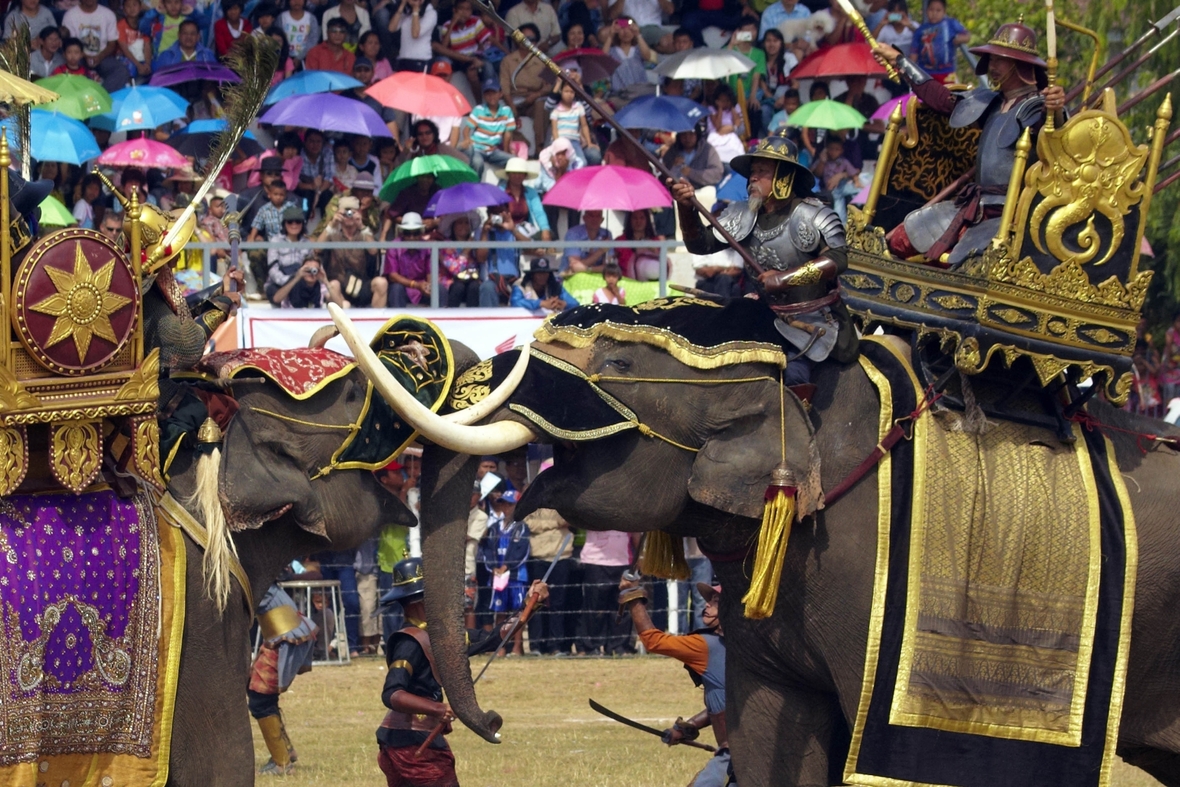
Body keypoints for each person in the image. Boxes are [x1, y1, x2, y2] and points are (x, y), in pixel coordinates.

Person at [873, 19, 1067, 265]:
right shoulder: (992, 103)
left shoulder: (1038, 108)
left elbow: (1055, 137)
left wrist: (1056, 109)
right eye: (992, 59)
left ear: (1019, 65)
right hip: (974, 206)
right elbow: (943, 100)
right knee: (902, 239)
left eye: (1000, 60)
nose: (992, 66)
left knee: (962, 263)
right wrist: (900, 61)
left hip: (1009, 214)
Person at [670, 130, 855, 386]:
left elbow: (838, 259)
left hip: (811, 318)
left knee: (793, 376)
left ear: (783, 178)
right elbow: (699, 244)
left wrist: (784, 279)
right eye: (753, 171)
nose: (753, 177)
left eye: (763, 171)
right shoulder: (742, 213)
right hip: (762, 312)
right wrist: (686, 207)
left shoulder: (814, 215)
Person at [375, 557, 549, 787]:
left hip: (413, 740)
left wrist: (530, 604)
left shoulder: (440, 636)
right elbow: (392, 694)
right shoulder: (410, 642)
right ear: (419, 602)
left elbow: (493, 638)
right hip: (410, 743)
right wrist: (439, 708)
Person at [619, 576, 731, 786]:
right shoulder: (743, 647)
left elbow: (653, 641)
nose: (707, 605)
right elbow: (729, 704)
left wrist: (632, 596)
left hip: (737, 756)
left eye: (715, 601)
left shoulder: (706, 646)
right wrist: (687, 727)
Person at [249, 583, 318, 776]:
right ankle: (285, 750)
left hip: (286, 634)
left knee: (260, 699)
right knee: (260, 695)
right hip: (279, 634)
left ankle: (282, 763)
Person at [477, 490, 532, 655]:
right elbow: (486, 550)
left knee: (518, 612)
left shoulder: (522, 527)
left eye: (510, 504)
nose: (506, 507)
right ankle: (500, 647)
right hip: (498, 577)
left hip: (516, 576)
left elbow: (522, 551)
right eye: (503, 503)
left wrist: (507, 566)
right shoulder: (493, 528)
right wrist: (493, 567)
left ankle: (517, 647)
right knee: (499, 613)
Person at [319, 195, 386, 308]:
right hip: (339, 284)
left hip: (361, 283)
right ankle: (341, 321)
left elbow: (373, 251)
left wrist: (362, 226)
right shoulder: (332, 233)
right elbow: (317, 248)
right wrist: (332, 224)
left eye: (352, 212)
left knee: (381, 282)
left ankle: (376, 324)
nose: (348, 216)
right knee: (333, 285)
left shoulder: (364, 233)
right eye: (345, 213)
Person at [579, 530, 637, 655]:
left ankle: (618, 646)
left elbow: (636, 530)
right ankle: (592, 646)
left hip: (624, 559)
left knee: (621, 607)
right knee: (595, 608)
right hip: (595, 560)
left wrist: (640, 556)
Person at [498, 23, 549, 148]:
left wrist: (537, 95)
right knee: (502, 111)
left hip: (533, 100)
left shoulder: (542, 60)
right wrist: (512, 106)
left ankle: (539, 147)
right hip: (513, 100)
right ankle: (521, 143)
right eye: (523, 37)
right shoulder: (508, 61)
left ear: (536, 42)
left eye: (531, 39)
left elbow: (549, 85)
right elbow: (505, 88)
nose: (526, 41)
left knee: (542, 105)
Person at [61, 0, 129, 92]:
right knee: (69, 70)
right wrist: (85, 56)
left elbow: (112, 44)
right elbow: (70, 44)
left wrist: (100, 57)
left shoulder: (108, 14)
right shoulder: (70, 15)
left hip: (102, 56)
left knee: (121, 71)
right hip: (78, 57)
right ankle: (85, 95)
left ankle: (101, 94)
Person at [461, 78, 517, 175]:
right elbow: (466, 130)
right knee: (477, 163)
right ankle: (474, 188)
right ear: (484, 96)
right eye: (488, 93)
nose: (491, 96)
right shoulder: (479, 109)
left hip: (493, 150)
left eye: (494, 93)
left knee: (514, 161)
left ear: (500, 94)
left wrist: (506, 152)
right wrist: (467, 139)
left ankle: (506, 187)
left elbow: (508, 135)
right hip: (477, 148)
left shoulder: (506, 111)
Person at [477, 202, 526, 306]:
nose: (498, 216)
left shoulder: (517, 230)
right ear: (488, 214)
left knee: (525, 288)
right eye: (494, 213)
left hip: (514, 279)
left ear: (508, 213)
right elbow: (481, 258)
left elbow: (534, 249)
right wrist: (485, 233)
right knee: (487, 287)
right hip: (492, 279)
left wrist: (513, 230)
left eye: (501, 212)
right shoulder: (483, 232)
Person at [909, 0, 967, 83]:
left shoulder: (951, 24)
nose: (934, 13)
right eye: (931, 10)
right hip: (925, 73)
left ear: (944, 12)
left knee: (951, 94)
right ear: (926, 11)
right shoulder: (920, 30)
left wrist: (959, 39)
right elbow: (913, 53)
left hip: (947, 72)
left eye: (938, 10)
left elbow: (967, 36)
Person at [266, 205, 315, 304]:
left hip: (302, 282)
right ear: (284, 224)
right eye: (290, 222)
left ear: (302, 224)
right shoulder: (275, 241)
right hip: (279, 283)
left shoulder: (307, 243)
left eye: (298, 222)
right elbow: (273, 269)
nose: (294, 225)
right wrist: (289, 281)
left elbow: (312, 266)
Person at [601, 16, 656, 102]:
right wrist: (610, 35)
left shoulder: (638, 49)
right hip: (620, 95)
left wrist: (638, 34)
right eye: (622, 28)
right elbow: (602, 59)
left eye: (629, 29)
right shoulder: (612, 51)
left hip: (640, 93)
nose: (626, 32)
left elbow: (647, 56)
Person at [384, 212, 434, 306]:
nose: (411, 237)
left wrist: (428, 286)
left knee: (439, 289)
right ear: (402, 233)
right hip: (402, 288)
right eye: (407, 233)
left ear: (421, 233)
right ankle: (398, 320)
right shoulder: (394, 246)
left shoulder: (427, 247)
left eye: (415, 233)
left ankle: (441, 319)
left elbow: (430, 272)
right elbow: (393, 276)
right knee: (396, 289)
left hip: (422, 288)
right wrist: (416, 285)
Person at [497, 157, 552, 241]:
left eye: (520, 173)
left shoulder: (531, 192)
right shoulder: (500, 191)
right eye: (514, 173)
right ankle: (532, 249)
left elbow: (539, 212)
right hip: (505, 231)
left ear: (525, 175)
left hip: (526, 231)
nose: (517, 176)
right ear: (508, 174)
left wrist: (545, 229)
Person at [549, 79, 600, 165]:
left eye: (572, 92)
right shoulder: (556, 110)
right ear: (561, 91)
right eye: (566, 91)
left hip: (574, 141)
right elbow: (554, 129)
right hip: (560, 141)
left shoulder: (578, 106)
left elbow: (584, 126)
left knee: (581, 163)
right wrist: (558, 144)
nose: (569, 94)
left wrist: (589, 142)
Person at [811, 135, 860, 222]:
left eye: (837, 149)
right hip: (833, 190)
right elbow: (815, 172)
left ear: (841, 151)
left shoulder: (844, 161)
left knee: (858, 189)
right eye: (831, 149)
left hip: (842, 185)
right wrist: (822, 161)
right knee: (838, 202)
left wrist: (856, 182)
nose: (833, 152)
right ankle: (841, 223)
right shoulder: (823, 160)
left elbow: (853, 172)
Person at [439, 211, 482, 307]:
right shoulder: (444, 246)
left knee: (474, 286)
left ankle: (473, 319)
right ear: (453, 226)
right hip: (451, 285)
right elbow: (455, 270)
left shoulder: (475, 244)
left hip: (470, 283)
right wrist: (466, 252)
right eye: (460, 223)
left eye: (466, 223)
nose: (464, 226)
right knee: (458, 286)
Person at [661, 124, 723, 190]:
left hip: (699, 191)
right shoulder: (673, 150)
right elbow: (663, 175)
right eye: (684, 134)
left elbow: (717, 174)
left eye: (691, 134)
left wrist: (691, 173)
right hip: (675, 191)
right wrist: (673, 166)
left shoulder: (707, 150)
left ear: (697, 134)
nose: (687, 138)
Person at [510, 256, 578, 314]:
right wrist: (541, 303)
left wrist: (564, 304)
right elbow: (515, 302)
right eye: (539, 274)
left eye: (545, 273)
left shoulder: (554, 285)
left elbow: (575, 304)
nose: (542, 277)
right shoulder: (520, 285)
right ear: (532, 275)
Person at [615, 209, 664, 281]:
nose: (638, 221)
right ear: (629, 220)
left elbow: (662, 265)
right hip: (625, 281)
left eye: (642, 218)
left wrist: (654, 251)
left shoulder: (655, 240)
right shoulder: (620, 241)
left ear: (647, 220)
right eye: (635, 218)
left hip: (649, 282)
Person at [389, 0, 436, 72]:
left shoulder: (431, 13)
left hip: (421, 60)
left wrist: (415, 9)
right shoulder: (407, 12)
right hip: (403, 58)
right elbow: (391, 28)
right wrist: (402, 5)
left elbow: (415, 34)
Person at [706, 84, 745, 164]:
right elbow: (717, 126)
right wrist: (720, 108)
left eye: (727, 100)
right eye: (722, 100)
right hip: (715, 136)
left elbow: (737, 123)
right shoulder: (711, 108)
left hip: (731, 135)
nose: (725, 103)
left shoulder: (735, 107)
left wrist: (732, 107)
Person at [563, 208, 611, 273]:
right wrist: (601, 251)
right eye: (591, 215)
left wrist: (587, 269)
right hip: (570, 276)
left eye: (598, 216)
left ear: (602, 219)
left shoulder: (606, 234)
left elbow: (609, 267)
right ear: (584, 218)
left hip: (597, 277)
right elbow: (574, 267)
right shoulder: (573, 234)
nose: (595, 219)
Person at [279, 0, 319, 66]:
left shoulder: (311, 18)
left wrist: (300, 57)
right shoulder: (282, 17)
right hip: (285, 58)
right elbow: (278, 38)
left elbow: (313, 40)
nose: (297, 2)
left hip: (306, 57)